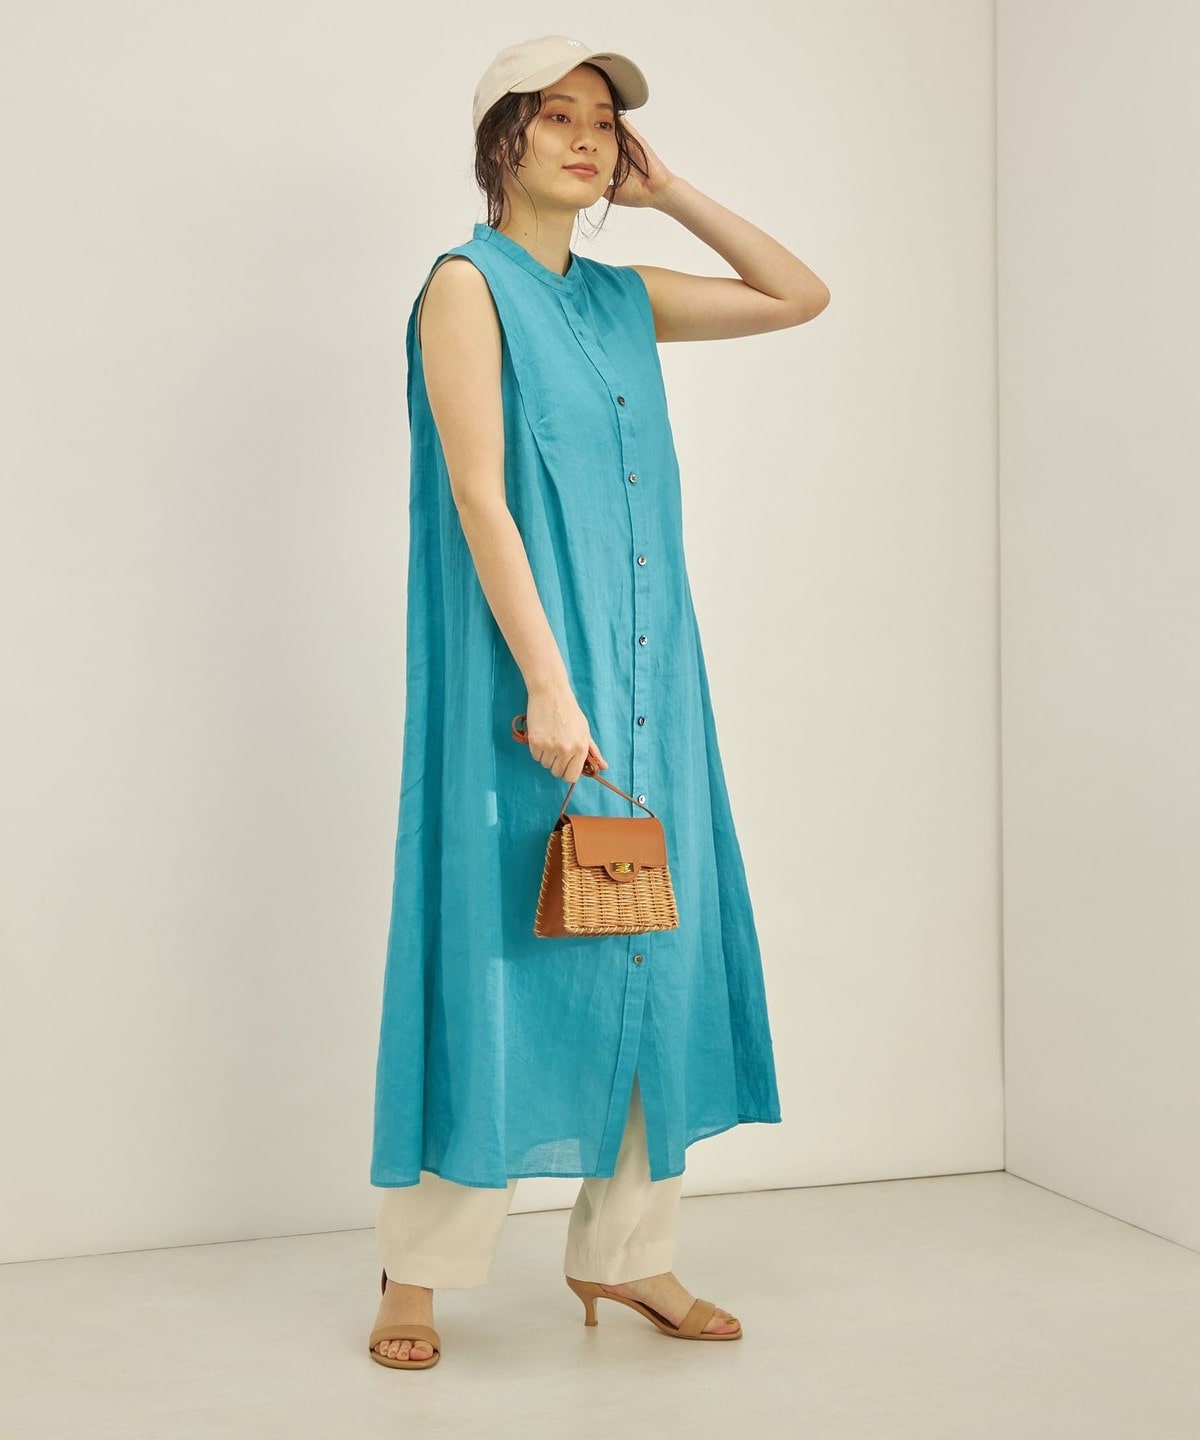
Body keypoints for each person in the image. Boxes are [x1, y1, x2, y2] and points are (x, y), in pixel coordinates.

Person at [367, 34, 830, 1369]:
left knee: (644, 948)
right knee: (494, 947)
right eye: (557, 114)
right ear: (499, 139)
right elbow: (479, 494)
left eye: (606, 121)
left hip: (647, 683)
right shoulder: (467, 287)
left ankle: (629, 1256)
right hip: (527, 684)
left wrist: (668, 192)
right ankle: (417, 1268)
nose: (587, 138)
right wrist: (546, 682)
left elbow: (799, 294)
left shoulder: (624, 297)